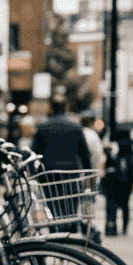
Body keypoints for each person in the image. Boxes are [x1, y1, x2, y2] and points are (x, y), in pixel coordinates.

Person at [32, 97, 92, 233]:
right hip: (71, 173)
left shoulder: (43, 126)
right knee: (70, 204)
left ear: (51, 107)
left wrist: (34, 173)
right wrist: (88, 173)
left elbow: (34, 152)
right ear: (65, 107)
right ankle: (69, 230)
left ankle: (55, 231)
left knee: (53, 205)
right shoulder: (75, 126)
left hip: (49, 175)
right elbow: (85, 153)